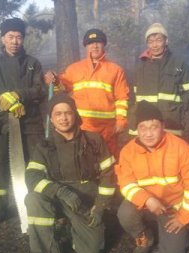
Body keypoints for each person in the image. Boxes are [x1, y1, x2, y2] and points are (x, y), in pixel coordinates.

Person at [25, 93, 116, 253]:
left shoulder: (93, 140)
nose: (63, 118)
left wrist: (99, 207)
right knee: (33, 199)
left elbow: (109, 175)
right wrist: (59, 191)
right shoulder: (44, 145)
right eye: (58, 114)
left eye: (68, 113)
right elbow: (32, 177)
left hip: (85, 198)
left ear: (75, 115)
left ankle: (70, 229)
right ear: (51, 119)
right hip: (58, 196)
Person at [0, 18, 47, 232]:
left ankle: (38, 207)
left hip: (30, 125)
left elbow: (40, 90)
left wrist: (18, 95)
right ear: (2, 38)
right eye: (10, 37)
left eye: (19, 37)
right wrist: (1, 101)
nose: (15, 41)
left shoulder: (33, 63)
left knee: (34, 166)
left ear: (23, 39)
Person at [115, 100, 189, 253]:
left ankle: (178, 232)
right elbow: (125, 183)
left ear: (162, 126)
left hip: (171, 208)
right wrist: (147, 200)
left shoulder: (180, 148)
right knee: (125, 213)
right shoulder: (128, 151)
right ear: (137, 130)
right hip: (145, 204)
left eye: (153, 127)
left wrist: (183, 217)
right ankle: (144, 236)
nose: (148, 133)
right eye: (143, 127)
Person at [44, 28, 129, 158]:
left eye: (98, 42)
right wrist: (54, 80)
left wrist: (121, 121)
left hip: (108, 129)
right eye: (90, 43)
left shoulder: (116, 70)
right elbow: (61, 88)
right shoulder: (74, 69)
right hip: (82, 126)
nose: (94, 46)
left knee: (109, 163)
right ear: (86, 47)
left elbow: (122, 97)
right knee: (84, 161)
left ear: (103, 45)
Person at [128, 23, 189, 137]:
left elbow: (187, 91)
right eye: (151, 41)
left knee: (171, 153)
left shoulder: (179, 63)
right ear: (147, 44)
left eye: (158, 40)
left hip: (171, 120)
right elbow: (132, 96)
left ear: (166, 41)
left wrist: (180, 112)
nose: (155, 45)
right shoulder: (140, 66)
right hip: (145, 121)